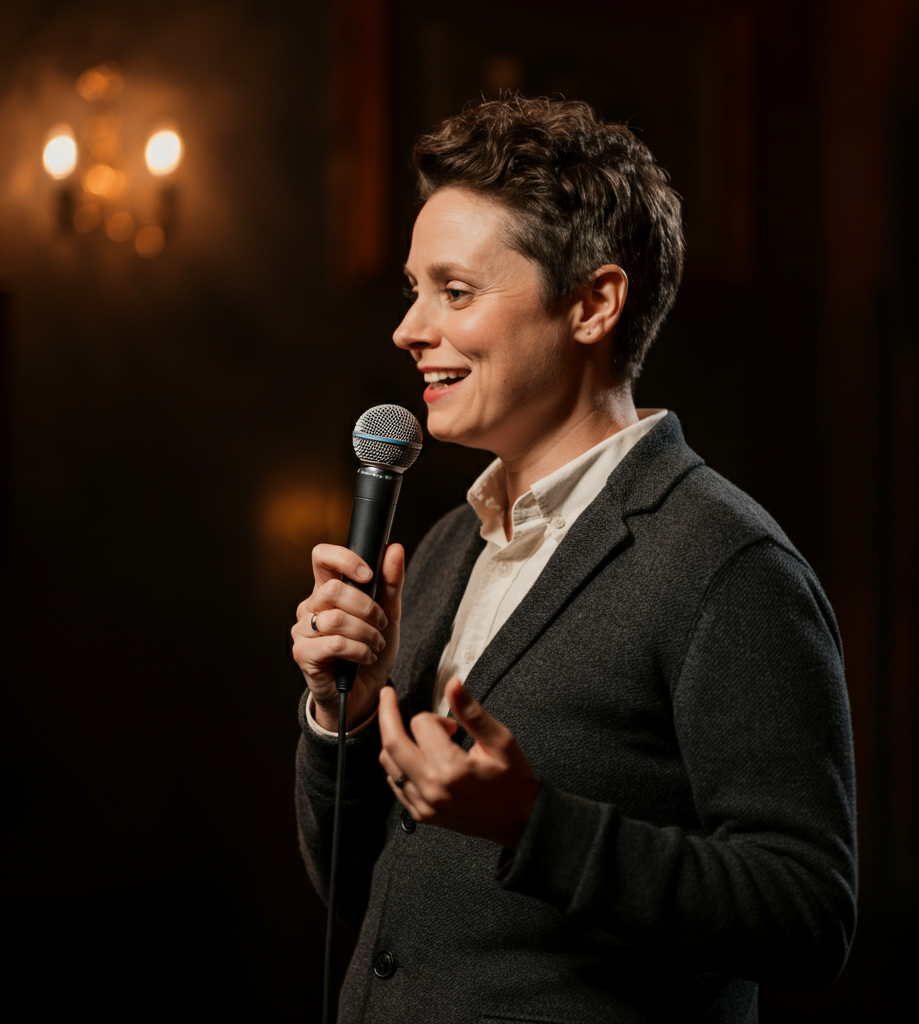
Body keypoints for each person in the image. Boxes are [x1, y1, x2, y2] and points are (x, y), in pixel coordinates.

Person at [291, 96, 856, 1023]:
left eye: (455, 291)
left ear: (593, 303)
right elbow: (372, 901)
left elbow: (808, 916)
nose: (408, 328)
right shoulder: (442, 549)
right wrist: (339, 719)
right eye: (412, 288)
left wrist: (533, 826)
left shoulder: (726, 562)